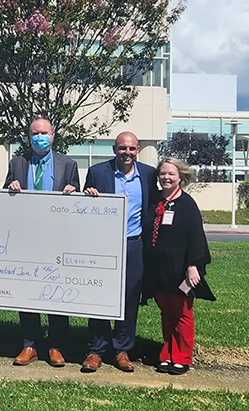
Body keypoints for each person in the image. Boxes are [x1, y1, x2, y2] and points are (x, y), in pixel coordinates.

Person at [4, 116, 80, 367]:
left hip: (57, 238)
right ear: (29, 136)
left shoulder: (68, 165)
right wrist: (10, 187)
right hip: (25, 238)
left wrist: (72, 193)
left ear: (53, 135)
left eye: (44, 132)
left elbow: (77, 203)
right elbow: (5, 198)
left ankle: (56, 346)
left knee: (57, 293)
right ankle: (29, 345)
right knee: (27, 293)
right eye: (35, 133)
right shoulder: (17, 163)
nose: (39, 137)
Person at [81, 131, 158, 373]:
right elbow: (84, 209)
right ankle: (96, 349)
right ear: (115, 149)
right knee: (99, 296)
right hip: (103, 244)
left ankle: (122, 350)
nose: (127, 153)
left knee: (129, 298)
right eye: (123, 148)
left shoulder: (147, 174)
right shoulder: (98, 172)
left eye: (132, 149)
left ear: (137, 151)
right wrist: (88, 196)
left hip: (134, 244)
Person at [142, 158, 215, 375]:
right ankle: (166, 354)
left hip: (180, 270)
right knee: (166, 313)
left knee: (182, 314)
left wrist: (193, 265)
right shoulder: (154, 200)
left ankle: (182, 357)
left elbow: (195, 237)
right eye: (163, 174)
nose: (166, 177)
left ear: (180, 177)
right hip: (157, 269)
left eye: (171, 174)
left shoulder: (187, 204)